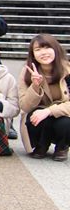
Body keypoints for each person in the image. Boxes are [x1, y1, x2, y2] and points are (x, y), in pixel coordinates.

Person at [18, 34, 70, 162]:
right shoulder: (27, 73)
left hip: (63, 114)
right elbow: (24, 106)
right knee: (35, 117)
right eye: (38, 49)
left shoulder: (68, 70)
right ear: (33, 54)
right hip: (38, 116)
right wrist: (35, 86)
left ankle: (62, 147)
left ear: (56, 49)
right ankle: (41, 145)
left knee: (65, 122)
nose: (43, 53)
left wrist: (49, 111)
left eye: (47, 48)